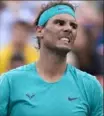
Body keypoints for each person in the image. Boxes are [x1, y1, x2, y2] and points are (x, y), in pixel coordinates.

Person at [0, 1, 103, 116]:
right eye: (60, 23)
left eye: (73, 26)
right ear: (40, 31)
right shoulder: (9, 82)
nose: (69, 29)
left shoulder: (90, 85)